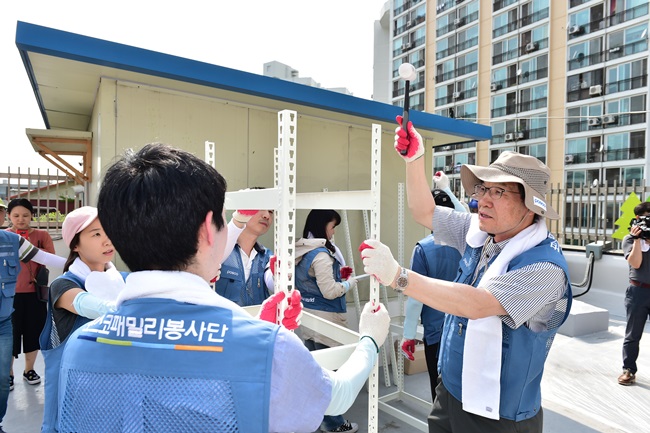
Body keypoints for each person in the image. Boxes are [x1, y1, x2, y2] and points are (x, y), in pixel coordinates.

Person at [57, 143, 390, 433]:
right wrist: (370, 340)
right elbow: (338, 395)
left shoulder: (80, 347)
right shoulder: (267, 348)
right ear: (208, 229)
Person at [360, 117, 572, 433]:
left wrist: (398, 277)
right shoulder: (483, 231)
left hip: (498, 416)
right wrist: (414, 160)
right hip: (452, 392)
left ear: (530, 206)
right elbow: (424, 212)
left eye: (499, 191)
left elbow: (476, 304)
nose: (481, 199)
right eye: (484, 188)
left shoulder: (545, 267)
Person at [40, 206, 127, 433]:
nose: (107, 240)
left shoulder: (121, 281)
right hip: (73, 391)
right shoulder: (65, 285)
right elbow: (94, 307)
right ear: (75, 245)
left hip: (112, 385)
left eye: (109, 232)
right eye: (96, 234)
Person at [295, 209, 358, 433]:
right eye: (332, 227)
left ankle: (317, 419)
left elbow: (310, 283)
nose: (333, 233)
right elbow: (330, 291)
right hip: (327, 319)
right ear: (323, 226)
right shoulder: (321, 254)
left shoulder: (302, 250)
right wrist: (349, 284)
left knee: (315, 372)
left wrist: (339, 274)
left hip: (309, 317)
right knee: (329, 376)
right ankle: (334, 424)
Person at [400, 187, 465, 404]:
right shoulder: (470, 244)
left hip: (436, 334)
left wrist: (409, 335)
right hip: (467, 330)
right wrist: (447, 188)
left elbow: (415, 298)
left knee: (439, 396)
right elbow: (464, 212)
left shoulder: (423, 250)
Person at [0, 230, 65, 433]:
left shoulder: (12, 241)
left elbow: (44, 257)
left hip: (3, 323)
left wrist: (87, 264)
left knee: (2, 380)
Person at [5, 198, 55, 390]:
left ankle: (29, 370)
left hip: (35, 293)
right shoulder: (4, 236)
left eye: (25, 215)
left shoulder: (42, 235)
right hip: (9, 294)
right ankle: (8, 373)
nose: (21, 219)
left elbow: (49, 258)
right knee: (11, 334)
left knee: (33, 332)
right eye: (16, 215)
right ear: (9, 216)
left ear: (32, 216)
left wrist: (29, 248)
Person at [216, 207, 275, 306]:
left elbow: (272, 283)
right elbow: (214, 258)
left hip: (256, 321)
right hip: (224, 320)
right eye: (261, 209)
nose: (267, 216)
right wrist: (238, 221)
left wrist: (277, 276)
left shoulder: (266, 256)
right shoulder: (223, 249)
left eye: (271, 211)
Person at [619, 202, 650, 386]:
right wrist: (638, 239)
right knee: (633, 334)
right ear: (637, 219)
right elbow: (636, 264)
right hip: (637, 291)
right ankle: (629, 370)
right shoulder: (629, 239)